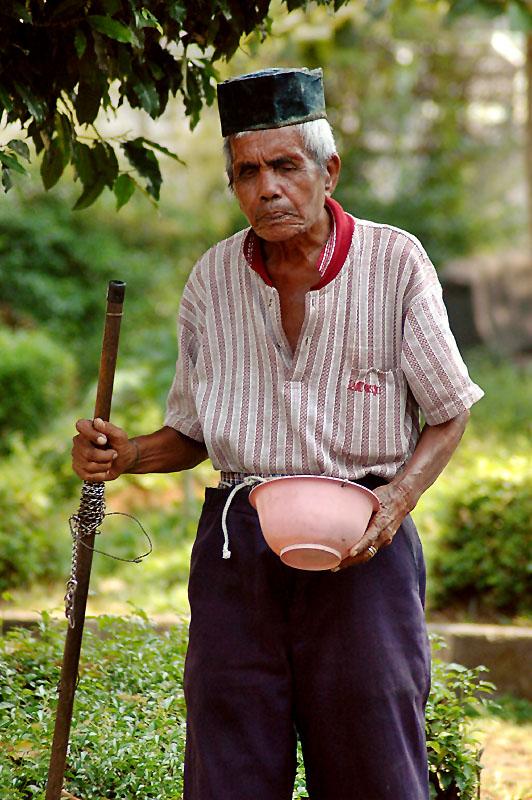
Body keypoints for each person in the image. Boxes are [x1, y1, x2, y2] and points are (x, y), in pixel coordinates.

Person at [72, 67, 484, 800]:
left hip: (365, 546)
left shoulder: (395, 263)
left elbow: (449, 409)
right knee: (228, 765)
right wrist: (127, 454)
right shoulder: (212, 281)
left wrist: (396, 501)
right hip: (238, 550)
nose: (266, 188)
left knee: (375, 765)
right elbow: (193, 433)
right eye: (247, 172)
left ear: (329, 170)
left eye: (285, 166)